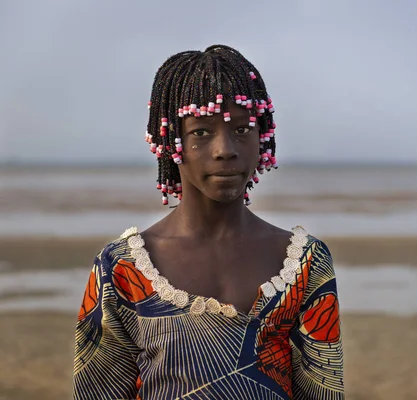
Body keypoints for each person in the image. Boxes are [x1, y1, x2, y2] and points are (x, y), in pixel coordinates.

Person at [73, 45, 344, 400]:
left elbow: (323, 391)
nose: (225, 149)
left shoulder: (306, 262)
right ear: (170, 142)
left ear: (262, 139)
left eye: (243, 129)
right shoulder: (122, 269)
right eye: (201, 132)